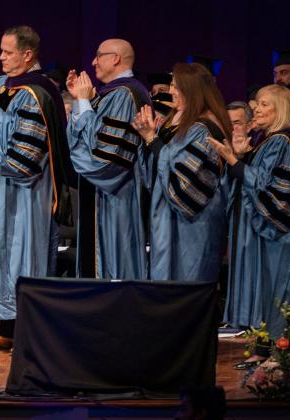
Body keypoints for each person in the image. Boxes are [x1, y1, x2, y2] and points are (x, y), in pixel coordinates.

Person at [0, 25, 71, 350]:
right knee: (4, 256)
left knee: (26, 256)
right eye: (0, 51)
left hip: (29, 192)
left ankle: (31, 330)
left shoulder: (37, 92)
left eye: (7, 52)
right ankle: (8, 328)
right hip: (1, 189)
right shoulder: (2, 85)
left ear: (27, 54)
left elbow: (23, 155)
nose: (0, 57)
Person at [133, 62, 231, 282]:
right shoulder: (184, 122)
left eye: (176, 86)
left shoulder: (203, 128)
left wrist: (152, 139)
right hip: (171, 221)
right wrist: (151, 137)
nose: (171, 91)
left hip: (191, 225)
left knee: (186, 286)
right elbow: (160, 169)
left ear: (192, 90)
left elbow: (184, 182)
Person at [66, 39, 151, 280]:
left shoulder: (126, 94)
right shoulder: (110, 93)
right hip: (100, 198)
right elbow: (80, 140)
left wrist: (84, 102)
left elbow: (104, 155)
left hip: (116, 197)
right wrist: (79, 100)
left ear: (115, 58)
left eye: (99, 55)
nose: (93, 62)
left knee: (114, 265)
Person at [211, 84, 290, 336]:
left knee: (275, 288)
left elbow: (269, 185)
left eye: (265, 104)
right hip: (255, 227)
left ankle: (273, 350)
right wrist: (240, 157)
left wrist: (234, 160)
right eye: (256, 103)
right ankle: (261, 347)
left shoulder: (281, 141)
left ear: (282, 109)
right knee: (265, 288)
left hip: (275, 233)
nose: (256, 109)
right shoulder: (263, 141)